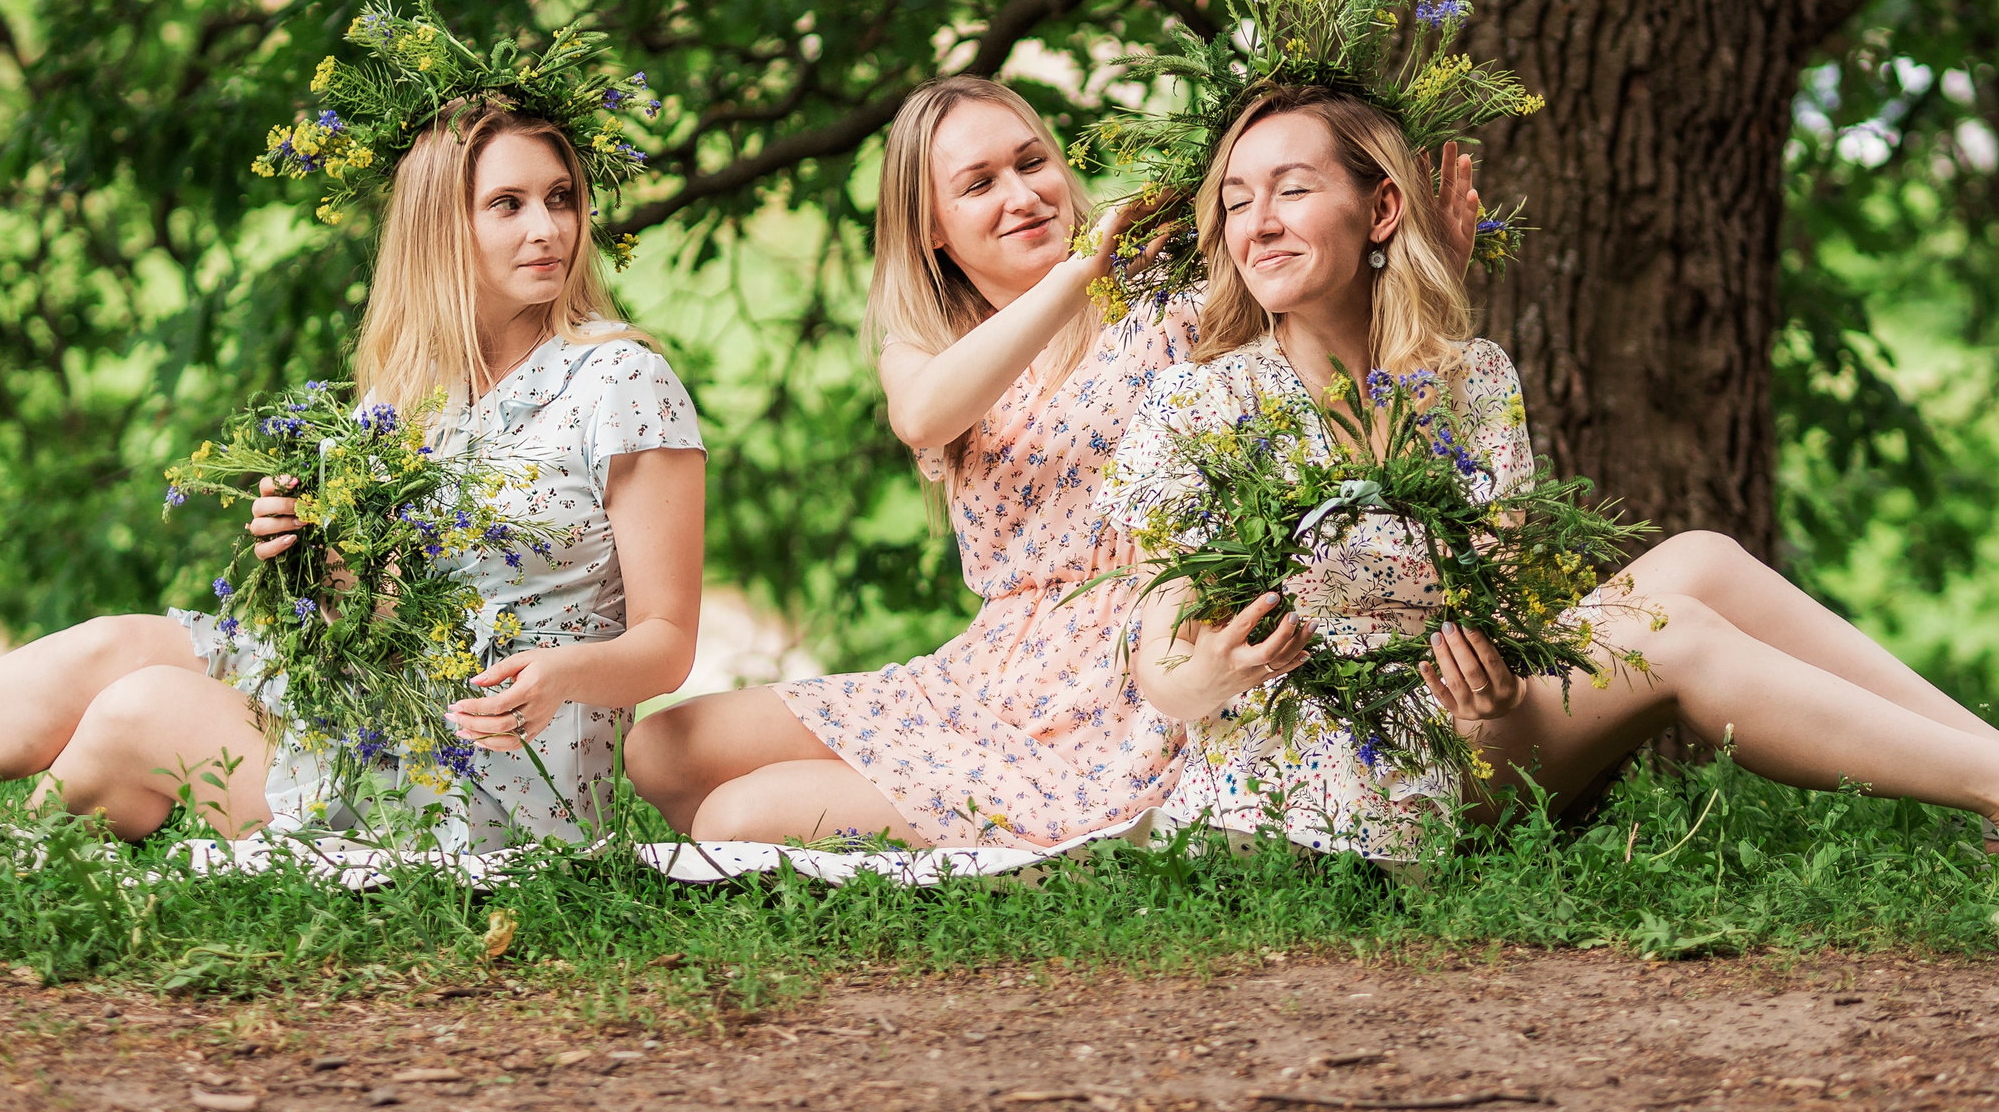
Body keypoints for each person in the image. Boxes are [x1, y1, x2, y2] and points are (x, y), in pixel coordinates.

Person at [1112, 82, 1999, 887]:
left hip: (1471, 733)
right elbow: (1158, 665)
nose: (1255, 220)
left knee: (1703, 559)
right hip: (1325, 787)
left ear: (1380, 210)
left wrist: (1492, 671)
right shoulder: (1198, 407)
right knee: (1663, 625)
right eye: (1236, 198)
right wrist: (1207, 669)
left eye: (1291, 189)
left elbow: (1499, 596)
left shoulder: (1467, 377)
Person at [0, 99, 706, 850]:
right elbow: (372, 616)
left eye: (559, 197)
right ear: (442, 227)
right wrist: (308, 558)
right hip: (380, 702)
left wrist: (560, 672)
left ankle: (1, 864)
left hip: (493, 776)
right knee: (115, 644)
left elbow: (668, 641)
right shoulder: (407, 393)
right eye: (507, 203)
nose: (547, 227)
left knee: (140, 711)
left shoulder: (621, 378)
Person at [624, 75, 1492, 848]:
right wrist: (1083, 270)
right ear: (932, 227)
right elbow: (925, 414)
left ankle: (1003, 833)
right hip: (989, 671)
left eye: (1031, 161)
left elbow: (1326, 328)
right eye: (979, 183)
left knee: (733, 816)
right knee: (659, 748)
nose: (1022, 194)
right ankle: (929, 813)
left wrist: (1424, 265)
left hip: (1122, 678)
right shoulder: (928, 346)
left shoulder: (1171, 303)